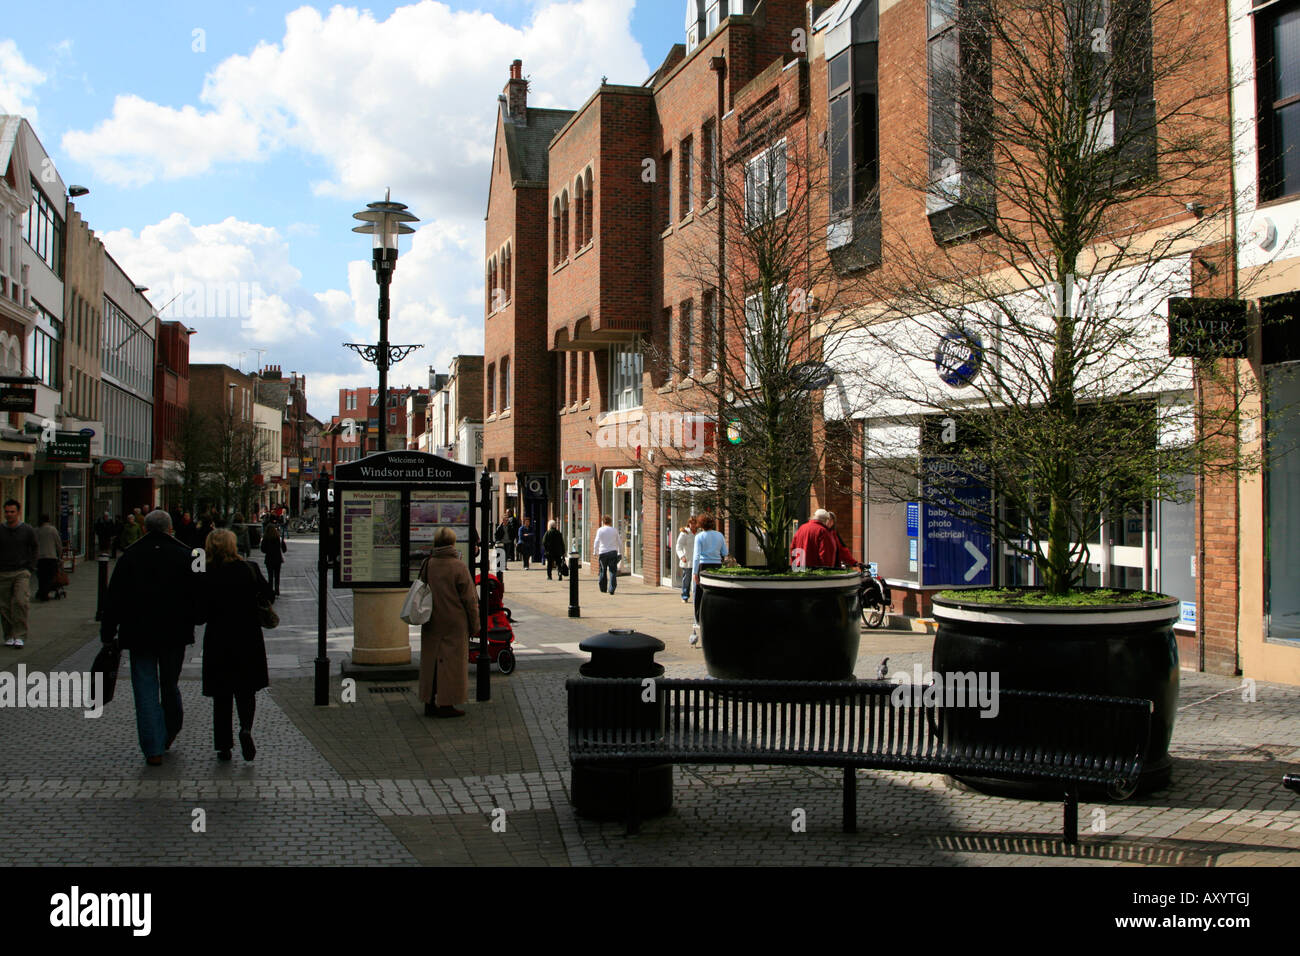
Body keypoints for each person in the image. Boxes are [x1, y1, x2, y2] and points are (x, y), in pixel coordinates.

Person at [100, 510, 206, 765]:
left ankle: (153, 748)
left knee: (145, 689)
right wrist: (194, 617)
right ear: (171, 529)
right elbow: (199, 597)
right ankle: (170, 730)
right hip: (175, 633)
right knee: (170, 684)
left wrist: (108, 631)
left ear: (145, 529)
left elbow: (113, 597)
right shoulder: (188, 555)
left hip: (139, 633)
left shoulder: (131, 556)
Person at [201, 529, 272, 762]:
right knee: (246, 689)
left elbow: (199, 611)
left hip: (218, 639)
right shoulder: (248, 568)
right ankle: (246, 728)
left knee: (222, 695)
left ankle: (223, 745)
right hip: (247, 636)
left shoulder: (207, 572)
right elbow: (268, 594)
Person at [418, 526, 481, 718]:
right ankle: (447, 703)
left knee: (431, 662)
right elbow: (470, 600)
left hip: (431, 619)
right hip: (455, 622)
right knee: (451, 665)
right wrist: (475, 625)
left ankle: (428, 701)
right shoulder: (458, 566)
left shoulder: (428, 563)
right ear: (452, 543)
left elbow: (421, 589)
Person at [0, 499, 37, 648]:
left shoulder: (27, 530)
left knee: (20, 602)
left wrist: (30, 567)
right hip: (3, 572)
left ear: (18, 512)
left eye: (12, 512)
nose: (9, 515)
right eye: (6, 512)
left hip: (21, 572)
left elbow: (34, 548)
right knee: (4, 606)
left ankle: (20, 635)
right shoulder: (1, 529)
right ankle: (9, 635)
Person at [691, 513, 728, 622]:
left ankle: (699, 618)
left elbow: (696, 556)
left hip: (703, 565)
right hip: (717, 565)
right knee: (714, 591)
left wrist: (694, 572)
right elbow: (725, 552)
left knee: (700, 593)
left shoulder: (699, 537)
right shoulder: (720, 535)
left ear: (701, 524)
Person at [35, 514, 63, 601]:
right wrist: (60, 555)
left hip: (40, 557)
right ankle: (45, 593)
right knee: (50, 576)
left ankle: (42, 591)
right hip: (51, 557)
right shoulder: (52, 530)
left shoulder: (36, 530)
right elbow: (58, 544)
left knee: (41, 576)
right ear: (48, 520)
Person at [593, 515, 623, 596]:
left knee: (603, 570)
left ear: (603, 522)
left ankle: (603, 588)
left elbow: (596, 541)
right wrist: (620, 552)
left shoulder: (600, 530)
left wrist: (595, 551)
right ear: (610, 522)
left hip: (603, 553)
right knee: (612, 571)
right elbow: (620, 542)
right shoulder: (614, 530)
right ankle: (612, 589)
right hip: (613, 552)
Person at [260, 520, 287, 596]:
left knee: (270, 575)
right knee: (277, 575)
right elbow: (284, 549)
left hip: (269, 559)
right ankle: (277, 589)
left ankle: (270, 590)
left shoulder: (265, 538)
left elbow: (263, 550)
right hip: (278, 559)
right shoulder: (278, 538)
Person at [675, 517, 697, 603]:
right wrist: (682, 556)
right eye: (692, 523)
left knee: (697, 580)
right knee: (687, 579)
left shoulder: (699, 532)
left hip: (697, 560)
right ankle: (685, 596)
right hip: (687, 560)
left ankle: (696, 596)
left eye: (695, 523)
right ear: (689, 523)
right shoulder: (685, 533)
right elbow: (678, 546)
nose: (693, 525)